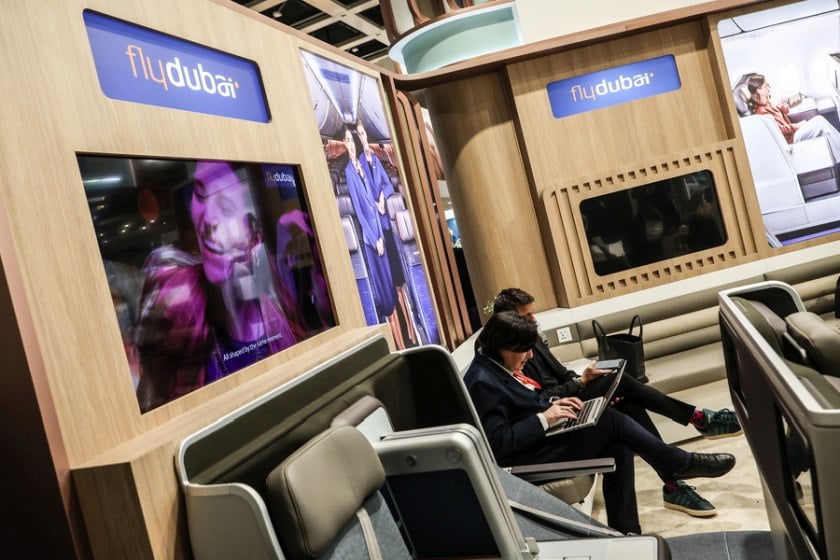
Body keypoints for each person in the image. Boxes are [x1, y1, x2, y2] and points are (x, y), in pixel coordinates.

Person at [464, 312, 737, 534]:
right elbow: (497, 444)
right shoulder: (482, 382)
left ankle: (627, 533)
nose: (530, 356)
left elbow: (527, 402)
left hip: (541, 440)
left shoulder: (495, 367)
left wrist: (554, 405)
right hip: (527, 460)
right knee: (610, 421)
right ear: (504, 346)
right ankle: (678, 462)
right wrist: (544, 418)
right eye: (524, 350)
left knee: (618, 443)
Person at [135, 161, 306, 411]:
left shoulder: (283, 325)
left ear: (255, 235)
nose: (208, 219)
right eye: (200, 195)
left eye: (226, 207)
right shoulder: (174, 297)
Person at [355, 120, 417, 348]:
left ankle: (411, 332)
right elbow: (362, 199)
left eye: (364, 133)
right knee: (388, 289)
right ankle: (399, 341)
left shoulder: (376, 159)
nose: (363, 138)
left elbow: (388, 184)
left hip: (387, 229)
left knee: (400, 284)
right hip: (376, 233)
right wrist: (373, 203)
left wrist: (383, 196)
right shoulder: (358, 165)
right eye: (359, 134)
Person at [341, 125, 403, 344]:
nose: (351, 144)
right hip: (371, 238)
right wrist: (374, 238)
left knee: (392, 284)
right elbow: (359, 210)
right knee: (384, 291)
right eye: (347, 140)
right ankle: (393, 342)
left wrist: (381, 203)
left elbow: (375, 199)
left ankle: (401, 340)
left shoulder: (364, 165)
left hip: (381, 231)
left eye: (352, 140)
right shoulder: (349, 171)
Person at [744, 73, 840, 161]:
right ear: (759, 90)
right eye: (766, 86)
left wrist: (784, 105)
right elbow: (778, 130)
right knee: (820, 121)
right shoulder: (761, 112)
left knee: (823, 132)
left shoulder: (767, 103)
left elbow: (780, 113)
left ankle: (838, 158)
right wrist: (797, 126)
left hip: (792, 134)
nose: (769, 88)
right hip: (790, 140)